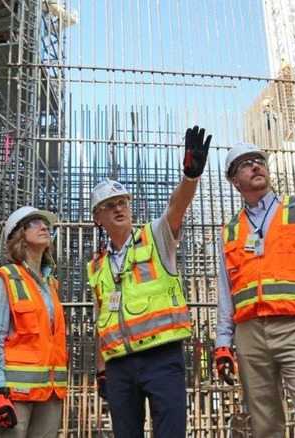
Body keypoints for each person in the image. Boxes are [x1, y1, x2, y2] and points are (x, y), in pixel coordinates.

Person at [87, 125, 212, 438]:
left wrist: (190, 177)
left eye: (122, 202)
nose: (118, 208)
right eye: (108, 206)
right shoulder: (96, 267)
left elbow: (177, 206)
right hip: (119, 368)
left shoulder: (156, 237)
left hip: (161, 357)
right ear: (97, 218)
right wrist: (102, 370)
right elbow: (101, 322)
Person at [213, 142, 295, 438]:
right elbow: (225, 291)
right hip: (249, 336)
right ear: (234, 181)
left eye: (259, 161)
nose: (255, 166)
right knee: (264, 427)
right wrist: (222, 342)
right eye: (246, 164)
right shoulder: (229, 231)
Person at [0, 206, 67, 437]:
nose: (44, 227)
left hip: (49, 392)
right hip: (14, 393)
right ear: (19, 235)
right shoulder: (8, 277)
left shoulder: (50, 285)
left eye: (45, 224)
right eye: (34, 223)